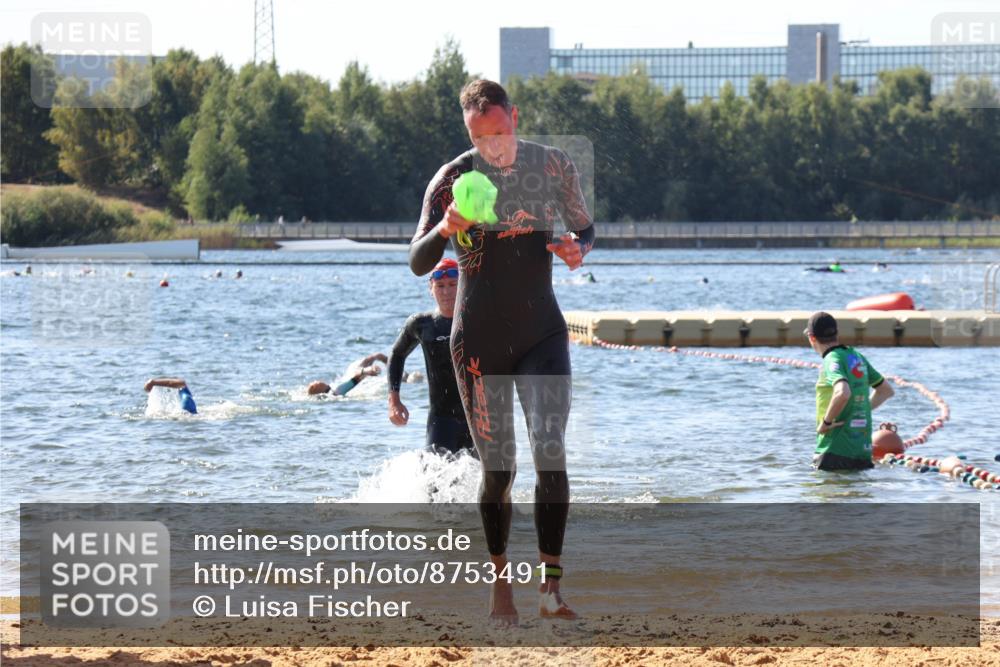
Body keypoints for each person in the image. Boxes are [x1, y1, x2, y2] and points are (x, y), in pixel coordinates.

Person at [409, 79, 595, 624]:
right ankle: (500, 581)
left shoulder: (553, 166)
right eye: (479, 137)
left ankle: (550, 590)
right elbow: (418, 260)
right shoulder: (451, 179)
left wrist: (575, 248)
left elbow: (585, 228)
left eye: (500, 132)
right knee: (498, 472)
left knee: (551, 454)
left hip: (542, 333)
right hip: (478, 343)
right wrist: (445, 226)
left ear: (515, 116)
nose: (492, 146)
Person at [388, 257, 475, 457]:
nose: (446, 292)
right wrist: (394, 400)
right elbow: (397, 354)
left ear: (464, 286)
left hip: (480, 418)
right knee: (434, 482)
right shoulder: (422, 324)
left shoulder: (479, 318)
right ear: (431, 288)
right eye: (440, 285)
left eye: (453, 285)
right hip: (441, 420)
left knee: (486, 482)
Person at [805, 312, 895, 471]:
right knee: (855, 494)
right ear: (837, 333)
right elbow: (886, 390)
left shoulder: (831, 359)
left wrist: (825, 423)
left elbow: (842, 392)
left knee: (822, 494)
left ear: (812, 338)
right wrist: (859, 409)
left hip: (834, 449)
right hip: (862, 451)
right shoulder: (856, 357)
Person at [308, 353, 387, 396]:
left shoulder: (333, 388)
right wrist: (366, 371)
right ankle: (396, 371)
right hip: (357, 372)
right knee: (377, 356)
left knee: (377, 356)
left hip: (354, 371)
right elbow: (354, 380)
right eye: (315, 383)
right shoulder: (336, 391)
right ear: (318, 389)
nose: (316, 381)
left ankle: (395, 369)